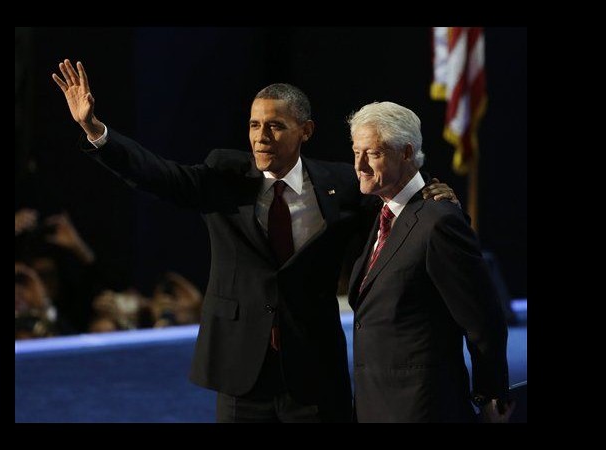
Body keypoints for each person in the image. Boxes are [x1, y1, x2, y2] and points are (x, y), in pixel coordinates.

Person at [51, 59, 457, 422]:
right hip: (241, 372)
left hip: (314, 371)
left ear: (306, 131)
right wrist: (95, 130)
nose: (261, 136)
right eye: (254, 125)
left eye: (276, 125)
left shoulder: (342, 184)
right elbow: (158, 174)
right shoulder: (223, 177)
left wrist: (431, 196)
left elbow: (396, 208)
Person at [346, 101, 513, 422]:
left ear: (406, 153)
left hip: (422, 409)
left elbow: (484, 321)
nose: (360, 165)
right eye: (356, 152)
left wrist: (491, 395)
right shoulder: (384, 211)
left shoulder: (438, 222)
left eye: (373, 153)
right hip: (375, 405)